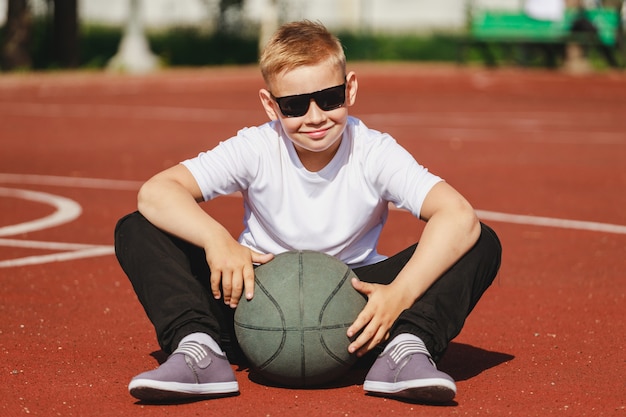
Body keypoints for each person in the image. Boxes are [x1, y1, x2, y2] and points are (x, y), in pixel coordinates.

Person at [114, 20, 502, 404]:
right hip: (251, 300)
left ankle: (405, 349)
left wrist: (399, 295)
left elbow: (457, 215)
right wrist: (217, 240)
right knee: (137, 228)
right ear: (270, 105)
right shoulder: (256, 146)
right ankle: (198, 349)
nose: (315, 116)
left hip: (360, 312)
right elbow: (157, 191)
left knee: (479, 240)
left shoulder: (374, 151)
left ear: (350, 88)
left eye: (330, 98)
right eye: (295, 105)